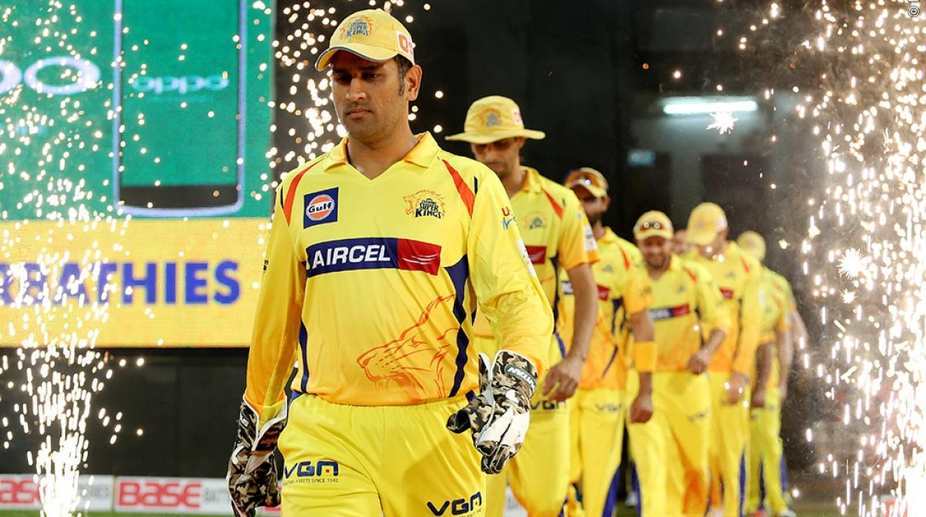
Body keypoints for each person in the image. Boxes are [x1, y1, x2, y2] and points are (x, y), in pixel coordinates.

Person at [225, 10, 553, 516]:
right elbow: (277, 322)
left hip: (438, 435)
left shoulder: (469, 185)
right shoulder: (299, 189)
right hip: (325, 432)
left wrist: (516, 381)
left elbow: (518, 299)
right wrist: (256, 429)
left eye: (371, 75)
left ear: (411, 82)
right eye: (342, 78)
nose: (354, 91)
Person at [447, 97, 599, 516]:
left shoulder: (559, 203)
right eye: (480, 146)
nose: (489, 155)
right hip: (471, 364)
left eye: (499, 144)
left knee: (548, 499)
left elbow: (587, 288)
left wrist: (576, 359)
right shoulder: (453, 201)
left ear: (519, 141)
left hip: (538, 360)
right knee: (474, 500)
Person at [558, 168, 656, 517]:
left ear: (605, 203)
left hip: (607, 386)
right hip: (558, 382)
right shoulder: (554, 249)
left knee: (600, 481)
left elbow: (643, 327)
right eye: (576, 198)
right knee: (557, 478)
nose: (582, 205)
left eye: (590, 199)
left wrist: (645, 390)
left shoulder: (626, 256)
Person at [629, 211, 729, 516]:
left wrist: (706, 353)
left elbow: (721, 322)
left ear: (671, 242)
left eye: (660, 242)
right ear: (638, 244)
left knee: (695, 466)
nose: (654, 250)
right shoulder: (629, 277)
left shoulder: (694, 276)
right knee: (653, 467)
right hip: (642, 383)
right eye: (648, 244)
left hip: (686, 383)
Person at [684, 202, 762, 517]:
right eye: (698, 240)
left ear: (724, 233)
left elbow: (752, 325)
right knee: (699, 452)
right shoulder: (687, 263)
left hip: (728, 373)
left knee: (731, 453)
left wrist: (741, 374)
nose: (703, 246)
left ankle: (733, 511)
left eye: (708, 239)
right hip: (693, 376)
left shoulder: (746, 267)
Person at [737, 231, 799, 517]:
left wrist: (783, 380)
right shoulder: (731, 281)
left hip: (768, 374)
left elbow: (784, 337)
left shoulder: (776, 285)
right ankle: (747, 503)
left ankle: (777, 502)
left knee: (770, 443)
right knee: (744, 445)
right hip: (737, 372)